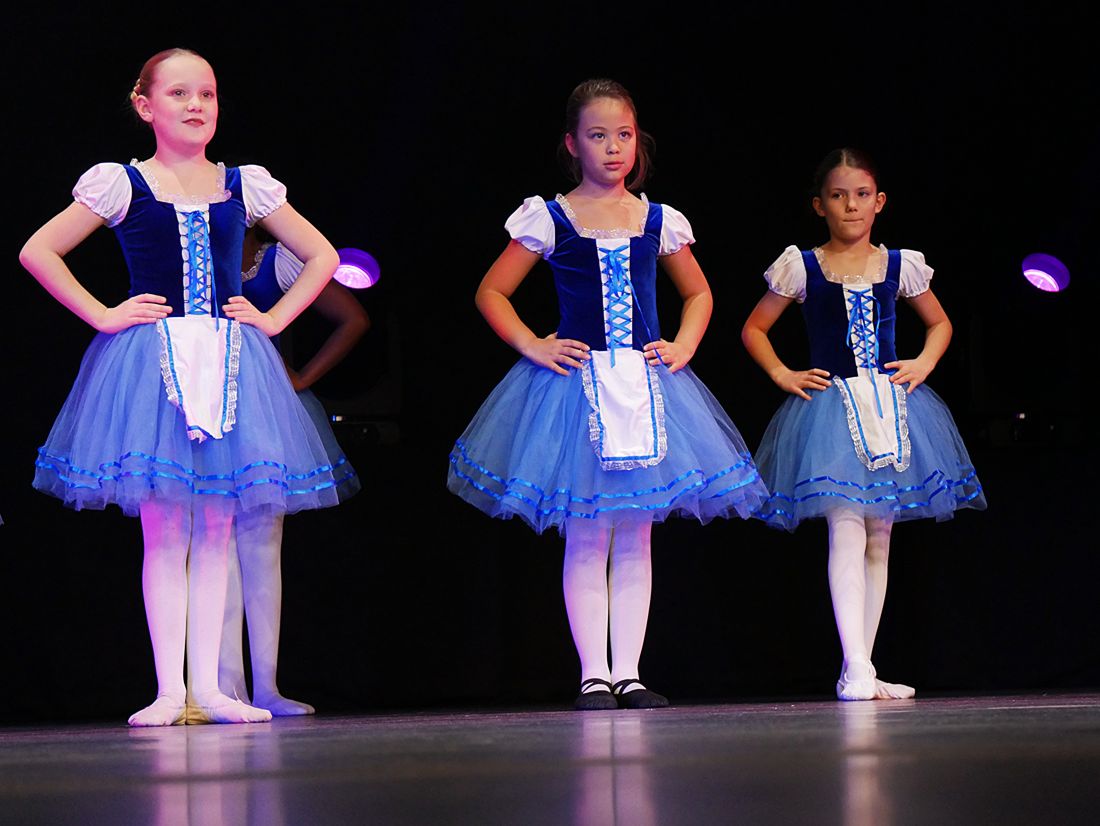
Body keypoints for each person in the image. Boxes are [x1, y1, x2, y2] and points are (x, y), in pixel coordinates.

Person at [21, 48, 341, 725]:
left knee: (219, 525)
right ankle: (171, 690)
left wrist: (275, 318)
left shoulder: (243, 185)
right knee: (166, 529)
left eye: (207, 94)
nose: (196, 105)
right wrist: (103, 313)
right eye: (179, 94)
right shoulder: (123, 184)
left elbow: (323, 255)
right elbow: (38, 250)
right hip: (153, 362)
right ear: (145, 106)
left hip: (228, 361)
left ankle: (215, 689)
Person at [447, 79, 768, 710]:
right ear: (572, 144)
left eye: (624, 134)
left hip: (646, 389)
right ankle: (594, 673)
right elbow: (492, 291)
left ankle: (631, 672)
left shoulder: (657, 220)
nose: (614, 147)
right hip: (578, 390)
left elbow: (699, 292)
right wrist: (532, 344)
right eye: (598, 135)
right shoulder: (550, 217)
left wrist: (684, 344)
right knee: (589, 533)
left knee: (638, 535)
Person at [741, 148, 986, 701]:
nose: (850, 205)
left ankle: (864, 667)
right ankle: (854, 667)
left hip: (891, 410)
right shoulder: (802, 266)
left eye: (860, 195)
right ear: (819, 205)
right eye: (837, 195)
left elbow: (941, 324)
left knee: (880, 535)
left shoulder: (899, 265)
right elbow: (755, 328)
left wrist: (923, 363)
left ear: (879, 202)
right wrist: (782, 373)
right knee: (846, 527)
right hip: (833, 412)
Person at [208, 228, 366, 718]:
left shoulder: (278, 261)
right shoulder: (188, 253)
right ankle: (224, 685)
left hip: (261, 410)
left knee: (261, 540)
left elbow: (353, 318)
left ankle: (266, 687)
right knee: (214, 541)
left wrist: (301, 378)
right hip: (204, 403)